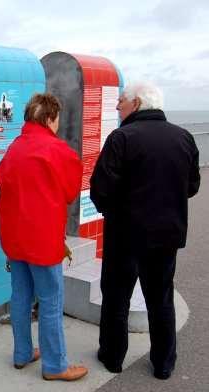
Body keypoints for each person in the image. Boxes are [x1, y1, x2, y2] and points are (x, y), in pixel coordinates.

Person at [90, 81, 200, 380]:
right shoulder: (184, 137)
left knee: (116, 297)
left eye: (122, 101)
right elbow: (192, 186)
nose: (117, 106)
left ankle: (113, 357)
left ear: (137, 103)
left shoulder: (121, 138)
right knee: (161, 297)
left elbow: (100, 188)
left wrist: (113, 211)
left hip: (125, 235)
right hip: (167, 235)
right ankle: (164, 363)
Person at [0, 93, 88, 381]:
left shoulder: (14, 148)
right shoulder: (58, 151)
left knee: (21, 295)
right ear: (49, 118)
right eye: (57, 118)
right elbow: (71, 191)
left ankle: (22, 353)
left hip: (14, 238)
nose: (58, 124)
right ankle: (56, 365)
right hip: (43, 240)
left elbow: (1, 180)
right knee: (50, 299)